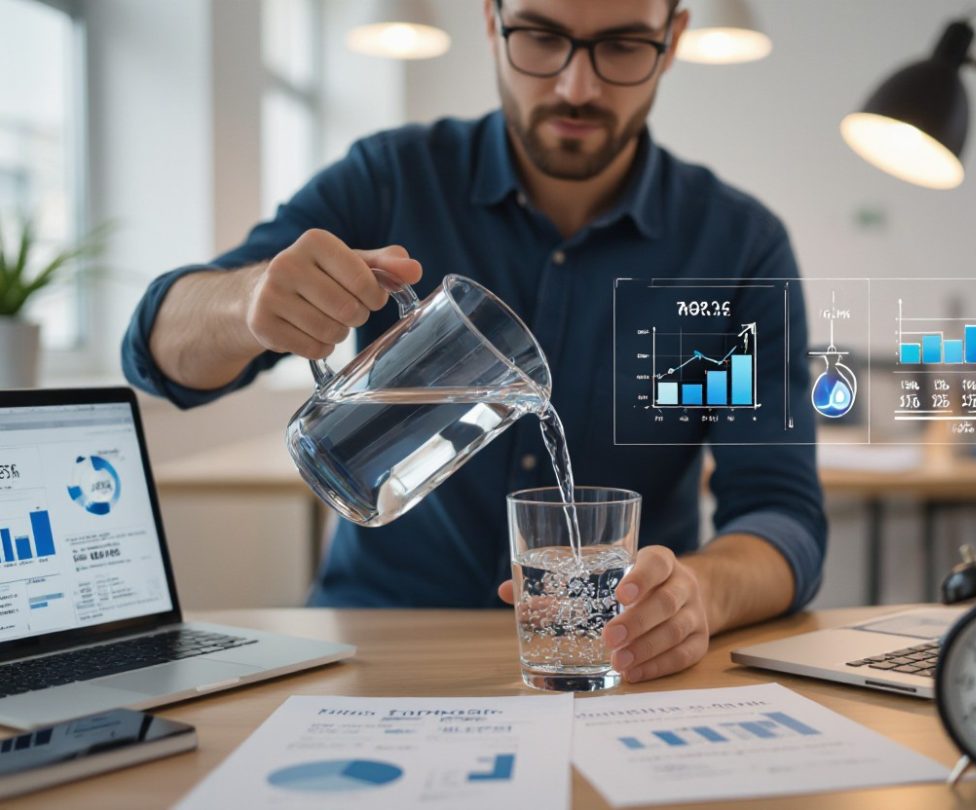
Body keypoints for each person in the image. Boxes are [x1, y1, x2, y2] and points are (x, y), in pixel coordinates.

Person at [122, 0, 826, 684]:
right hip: (372, 652)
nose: (576, 86)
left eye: (621, 46)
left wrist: (699, 594)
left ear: (672, 41)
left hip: (609, 663)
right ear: (491, 22)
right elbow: (154, 354)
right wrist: (246, 301)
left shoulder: (735, 248)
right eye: (542, 37)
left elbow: (780, 514)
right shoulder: (392, 179)